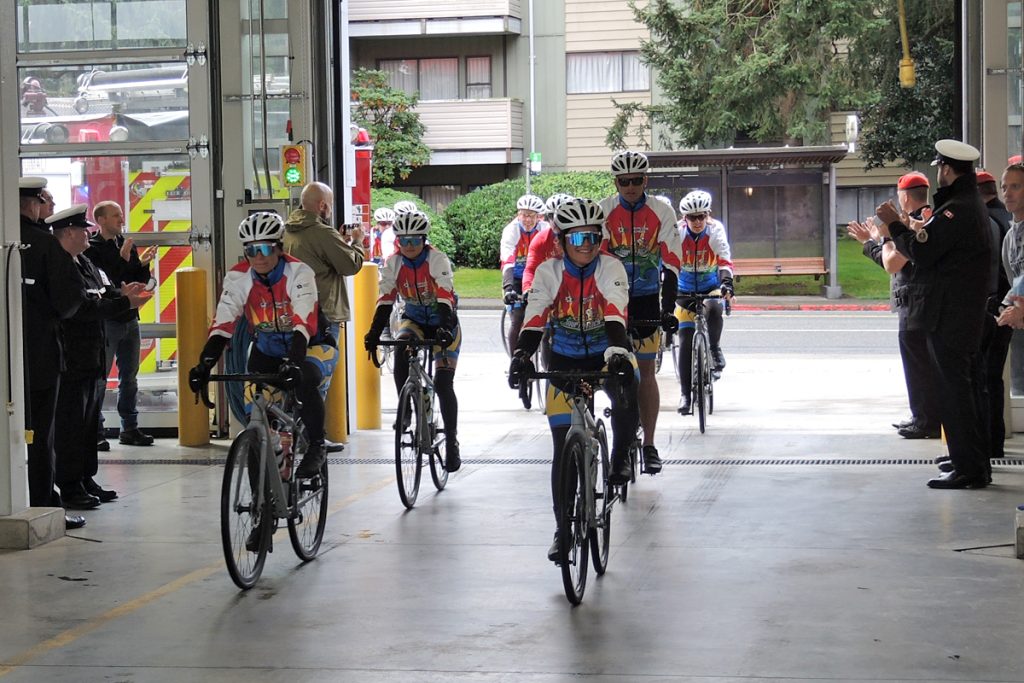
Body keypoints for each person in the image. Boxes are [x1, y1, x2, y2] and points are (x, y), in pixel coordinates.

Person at [506, 197, 638, 561]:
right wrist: (521, 354)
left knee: (630, 382)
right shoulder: (549, 273)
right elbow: (535, 318)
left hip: (604, 351)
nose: (588, 247)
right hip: (563, 357)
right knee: (562, 448)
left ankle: (623, 450)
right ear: (562, 242)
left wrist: (618, 354)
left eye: (594, 238)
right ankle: (563, 530)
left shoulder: (611, 267)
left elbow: (614, 314)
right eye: (578, 240)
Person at [875, 139, 992, 489]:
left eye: (940, 167)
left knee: (955, 393)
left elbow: (922, 252)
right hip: (959, 314)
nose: (938, 173)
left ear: (947, 169)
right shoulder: (965, 205)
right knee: (963, 391)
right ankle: (966, 458)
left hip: (951, 316)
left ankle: (969, 469)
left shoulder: (958, 209)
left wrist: (894, 226)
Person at [189, 212, 335, 481]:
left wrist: (293, 362)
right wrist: (204, 363)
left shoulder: (299, 272)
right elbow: (223, 324)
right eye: (251, 250)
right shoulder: (239, 278)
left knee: (304, 380)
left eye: (266, 248)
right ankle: (268, 483)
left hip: (310, 344)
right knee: (257, 418)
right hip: (267, 349)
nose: (259, 256)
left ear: (279, 248)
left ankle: (317, 445)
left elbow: (303, 321)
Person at [49, 205, 151, 509]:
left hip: (91, 355)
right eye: (82, 230)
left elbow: (103, 293)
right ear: (68, 233)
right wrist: (123, 304)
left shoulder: (83, 263)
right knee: (70, 425)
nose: (87, 234)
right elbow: (80, 307)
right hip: (73, 357)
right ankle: (69, 485)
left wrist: (122, 295)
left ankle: (85, 477)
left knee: (87, 422)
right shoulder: (63, 266)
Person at [599, 150, 681, 474]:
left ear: (645, 180)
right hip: (614, 300)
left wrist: (668, 307)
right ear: (616, 182)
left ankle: (648, 443)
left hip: (647, 299)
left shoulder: (661, 211)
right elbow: (597, 260)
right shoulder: (604, 211)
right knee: (612, 370)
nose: (630, 187)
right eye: (623, 181)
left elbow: (672, 261)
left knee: (646, 374)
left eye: (635, 180)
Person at [364, 210, 462, 471]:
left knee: (443, 384)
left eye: (415, 241)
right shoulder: (393, 263)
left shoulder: (437, 259)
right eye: (403, 241)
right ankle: (406, 408)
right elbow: (385, 300)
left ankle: (451, 440)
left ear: (424, 240)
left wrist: (442, 328)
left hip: (443, 320)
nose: (409, 247)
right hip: (415, 320)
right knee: (401, 347)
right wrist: (374, 333)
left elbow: (444, 296)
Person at [848, 172, 941, 439]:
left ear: (904, 196)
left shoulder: (916, 223)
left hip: (917, 306)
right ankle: (922, 416)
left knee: (919, 365)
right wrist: (874, 241)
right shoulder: (917, 220)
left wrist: (884, 237)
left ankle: (926, 420)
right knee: (920, 364)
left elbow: (892, 263)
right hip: (915, 303)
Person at [18, 178, 88, 529]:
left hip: (9, 361)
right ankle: (43, 507)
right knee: (39, 436)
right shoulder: (44, 245)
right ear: (33, 203)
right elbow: (68, 301)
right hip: (40, 357)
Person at [85, 200, 158, 450]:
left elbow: (135, 278)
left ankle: (130, 427)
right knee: (100, 377)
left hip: (129, 319)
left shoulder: (126, 243)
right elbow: (105, 283)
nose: (121, 219)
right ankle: (95, 429)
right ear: (101, 220)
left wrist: (143, 265)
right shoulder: (91, 249)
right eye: (115, 215)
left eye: (121, 214)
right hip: (108, 320)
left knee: (130, 377)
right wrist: (123, 258)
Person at [675, 190, 734, 415]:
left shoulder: (715, 229)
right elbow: (667, 261)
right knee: (685, 335)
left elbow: (724, 258)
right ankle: (685, 395)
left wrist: (727, 283)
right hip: (684, 288)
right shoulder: (678, 233)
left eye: (701, 216)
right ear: (685, 219)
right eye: (692, 217)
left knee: (715, 308)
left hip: (710, 284)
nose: (698, 221)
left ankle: (715, 348)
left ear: (708, 215)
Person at [500, 194, 545, 351]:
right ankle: (515, 362)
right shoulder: (511, 231)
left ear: (539, 217)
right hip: (516, 279)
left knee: (548, 320)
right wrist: (508, 289)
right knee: (517, 319)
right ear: (518, 214)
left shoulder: (544, 229)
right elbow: (508, 261)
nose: (527, 220)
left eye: (532, 216)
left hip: (537, 277)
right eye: (524, 215)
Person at [521, 193, 573, 293]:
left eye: (561, 216)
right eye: (551, 216)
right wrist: (527, 289)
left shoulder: (581, 237)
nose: (555, 220)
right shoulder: (541, 239)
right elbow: (531, 270)